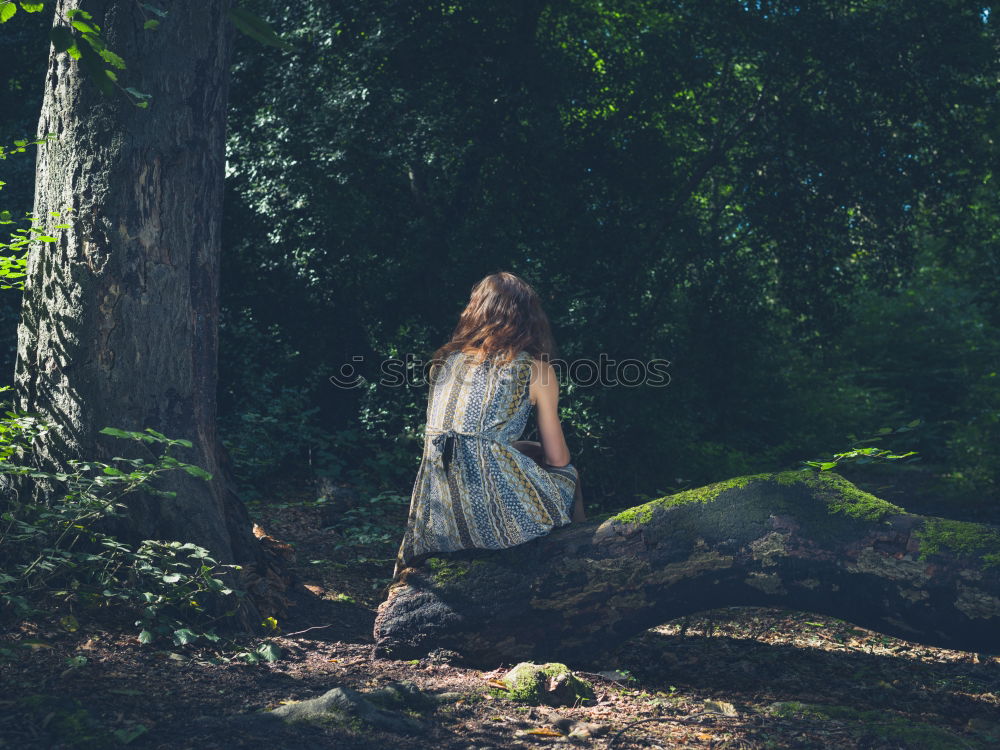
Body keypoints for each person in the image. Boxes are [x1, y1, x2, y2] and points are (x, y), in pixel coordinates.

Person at [392, 271, 585, 580]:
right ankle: (572, 573)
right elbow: (558, 459)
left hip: (436, 517)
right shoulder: (535, 370)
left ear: (476, 310)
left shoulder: (445, 362)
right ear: (528, 317)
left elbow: (466, 439)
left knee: (530, 453)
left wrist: (520, 448)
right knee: (569, 475)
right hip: (494, 517)